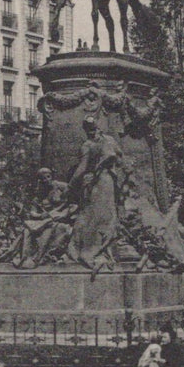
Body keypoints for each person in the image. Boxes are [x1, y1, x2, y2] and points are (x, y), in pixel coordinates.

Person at [66, 116, 124, 271]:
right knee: (107, 213)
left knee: (92, 215)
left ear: (86, 130)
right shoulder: (109, 140)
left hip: (96, 184)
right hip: (109, 181)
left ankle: (92, 248)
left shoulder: (88, 145)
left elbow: (82, 169)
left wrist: (70, 185)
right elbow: (119, 157)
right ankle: (107, 245)